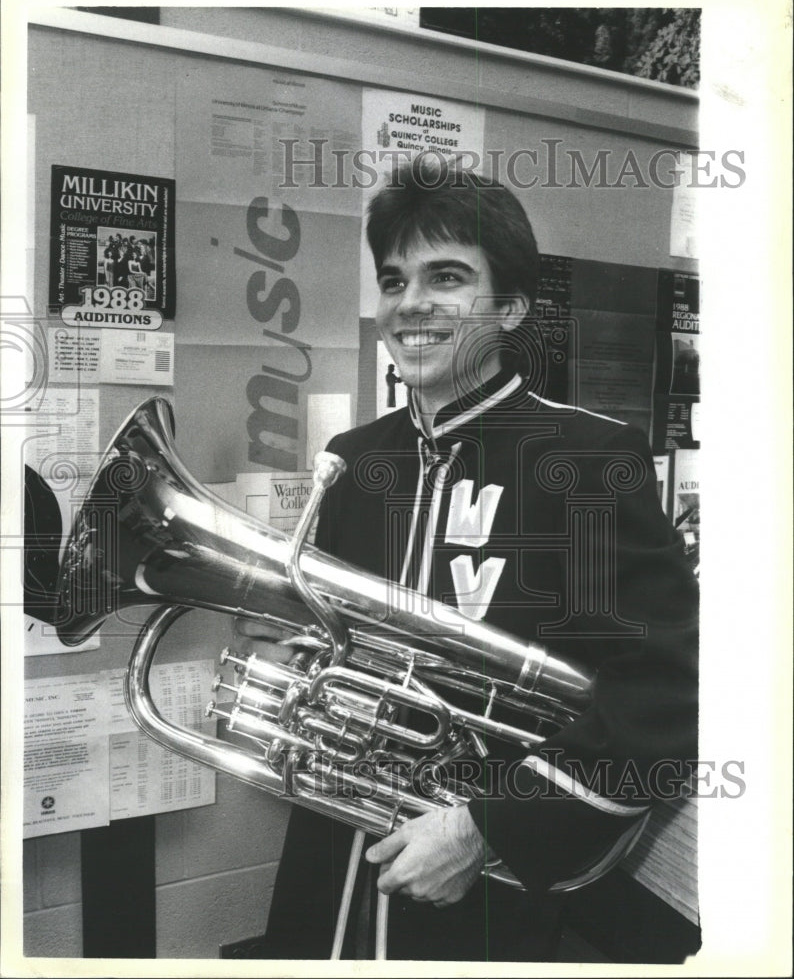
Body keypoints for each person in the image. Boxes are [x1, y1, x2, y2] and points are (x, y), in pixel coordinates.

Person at [237, 154, 699, 961]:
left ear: (512, 307)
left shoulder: (589, 458)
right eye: (392, 280)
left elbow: (665, 702)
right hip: (331, 865)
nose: (410, 304)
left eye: (446, 278)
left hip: (487, 888)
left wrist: (487, 830)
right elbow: (333, 657)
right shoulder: (353, 459)